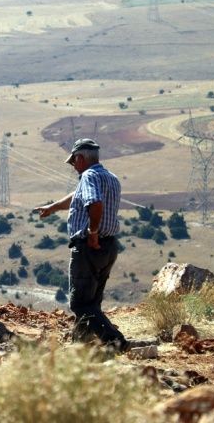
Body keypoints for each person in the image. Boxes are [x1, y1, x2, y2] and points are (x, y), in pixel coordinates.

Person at [33, 138, 128, 351]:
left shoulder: (88, 176)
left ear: (80, 158)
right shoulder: (110, 178)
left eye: (73, 162)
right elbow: (77, 196)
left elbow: (94, 203)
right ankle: (79, 347)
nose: (73, 166)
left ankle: (117, 342)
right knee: (91, 302)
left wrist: (92, 232)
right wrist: (53, 207)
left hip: (89, 246)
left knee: (80, 304)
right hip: (109, 246)